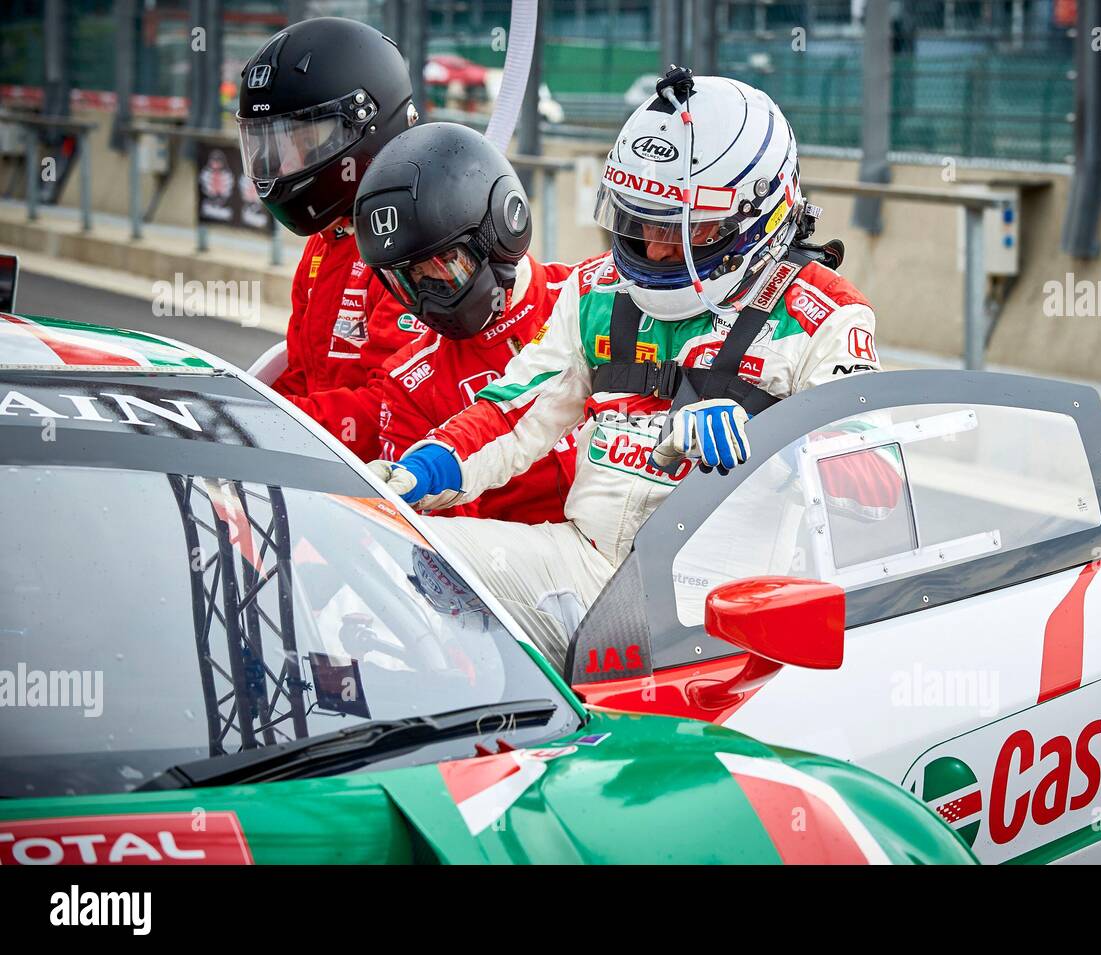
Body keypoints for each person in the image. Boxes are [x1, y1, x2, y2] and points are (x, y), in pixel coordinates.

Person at [368, 70, 886, 668]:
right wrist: (419, 473)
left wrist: (767, 442)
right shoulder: (593, 291)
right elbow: (513, 411)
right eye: (640, 223)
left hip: (717, 603)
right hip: (584, 564)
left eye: (682, 228)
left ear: (760, 213)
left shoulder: (826, 315)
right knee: (391, 553)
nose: (657, 249)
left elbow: (876, 486)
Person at [353, 123, 577, 524]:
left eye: (440, 269)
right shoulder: (410, 386)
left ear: (501, 231)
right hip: (522, 575)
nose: (426, 296)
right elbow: (448, 544)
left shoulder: (591, 301)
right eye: (407, 280)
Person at [235, 17, 418, 460]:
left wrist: (266, 425)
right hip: (335, 471)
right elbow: (300, 376)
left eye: (304, 139)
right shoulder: (330, 237)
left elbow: (396, 413)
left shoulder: (415, 245)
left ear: (366, 125)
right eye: (271, 145)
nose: (282, 164)